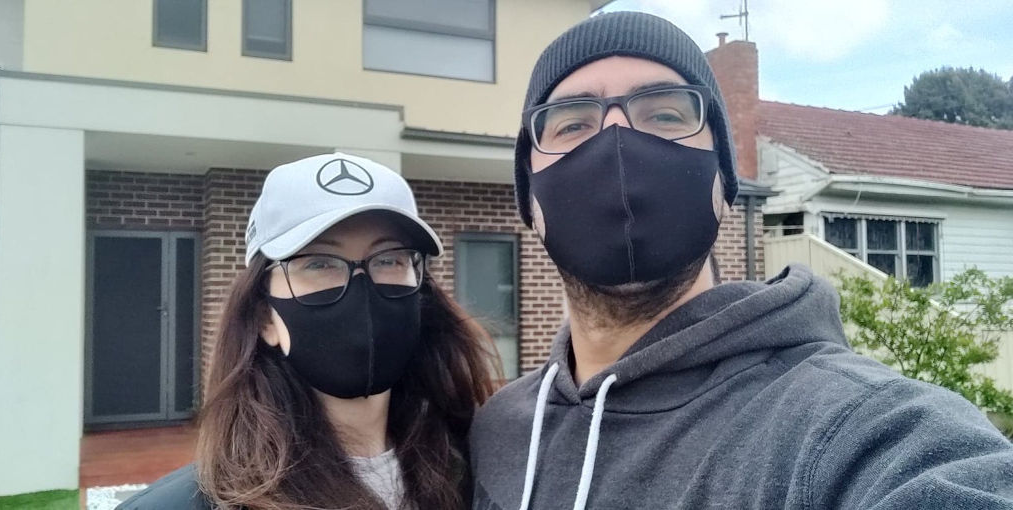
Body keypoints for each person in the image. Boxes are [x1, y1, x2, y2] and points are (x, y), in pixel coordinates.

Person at [470, 11, 1013, 510]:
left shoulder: (853, 430)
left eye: (664, 114)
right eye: (571, 124)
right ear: (529, 197)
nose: (617, 140)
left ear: (723, 179)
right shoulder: (495, 430)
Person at [119, 153, 497, 509]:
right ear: (265, 317)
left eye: (389, 259)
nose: (362, 288)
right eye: (318, 263)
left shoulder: (490, 471)